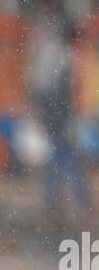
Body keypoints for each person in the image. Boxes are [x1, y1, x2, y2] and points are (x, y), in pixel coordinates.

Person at [32, 18, 92, 225]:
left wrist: (43, 111)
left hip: (51, 112)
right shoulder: (69, 58)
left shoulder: (51, 54)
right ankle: (81, 201)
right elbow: (65, 92)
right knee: (66, 156)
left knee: (56, 154)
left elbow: (40, 87)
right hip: (60, 114)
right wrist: (68, 118)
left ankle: (51, 199)